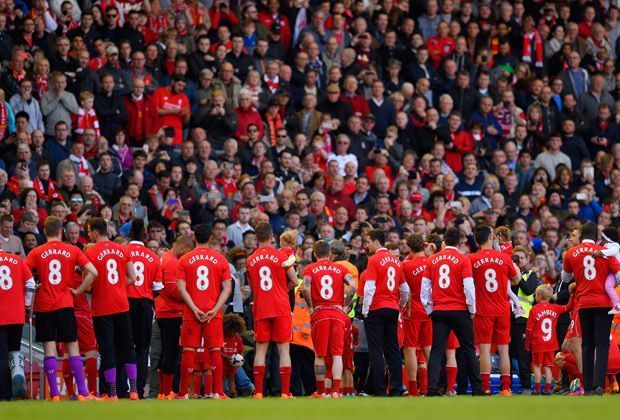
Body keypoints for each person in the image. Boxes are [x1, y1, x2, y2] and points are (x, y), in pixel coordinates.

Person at [25, 215, 98, 401]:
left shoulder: (36, 252)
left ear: (44, 232)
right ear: (61, 231)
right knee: (72, 346)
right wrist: (80, 290)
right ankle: (82, 393)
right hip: (65, 303)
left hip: (44, 305)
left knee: (50, 347)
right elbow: (93, 272)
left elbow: (24, 276)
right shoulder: (72, 250)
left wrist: (35, 285)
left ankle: (54, 395)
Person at [421, 227, 482, 396]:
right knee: (469, 349)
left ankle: (432, 389)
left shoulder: (432, 260)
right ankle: (477, 388)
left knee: (436, 351)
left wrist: (429, 310)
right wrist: (472, 308)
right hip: (460, 310)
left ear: (443, 241)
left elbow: (424, 288)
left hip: (439, 310)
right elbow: (469, 287)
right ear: (460, 241)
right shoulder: (463, 259)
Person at [82, 217, 138, 400]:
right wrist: (117, 287)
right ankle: (134, 391)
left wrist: (98, 286)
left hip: (102, 307)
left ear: (94, 232)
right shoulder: (122, 250)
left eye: (89, 232)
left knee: (107, 349)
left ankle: (112, 393)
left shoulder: (90, 253)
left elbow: (88, 285)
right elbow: (133, 277)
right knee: (128, 347)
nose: (88, 235)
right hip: (122, 304)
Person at [561, 221, 620, 395]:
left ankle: (587, 386)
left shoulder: (571, 253)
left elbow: (565, 278)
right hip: (603, 303)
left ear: (581, 235)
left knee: (587, 344)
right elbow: (618, 275)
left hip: (584, 303)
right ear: (596, 236)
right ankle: (599, 385)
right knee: (602, 345)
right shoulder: (604, 253)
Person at [176, 224, 233, 399]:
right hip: (212, 312)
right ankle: (218, 392)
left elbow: (181, 288)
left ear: (194, 238)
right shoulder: (220, 259)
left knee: (188, 350)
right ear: (210, 238)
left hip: (191, 312)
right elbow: (227, 288)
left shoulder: (184, 259)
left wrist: (194, 308)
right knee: (215, 349)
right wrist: (215, 310)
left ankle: (184, 393)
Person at [245, 222, 298, 399]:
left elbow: (253, 286)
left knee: (260, 350)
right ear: (271, 237)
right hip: (281, 306)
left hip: (261, 307)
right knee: (283, 350)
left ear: (256, 238)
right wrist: (282, 288)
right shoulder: (280, 255)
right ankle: (285, 392)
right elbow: (295, 281)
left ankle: (259, 392)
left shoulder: (250, 260)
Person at [469, 225, 522, 396]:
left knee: (484, 350)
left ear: (476, 240)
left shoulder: (471, 259)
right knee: (503, 350)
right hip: (502, 309)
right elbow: (516, 279)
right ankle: (506, 388)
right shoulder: (504, 258)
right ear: (491, 238)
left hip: (482, 310)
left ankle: (485, 387)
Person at [302, 240, 355, 398]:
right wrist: (345, 306)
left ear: (315, 253)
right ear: (330, 253)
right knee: (337, 354)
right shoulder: (340, 268)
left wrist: (311, 307)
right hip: (337, 313)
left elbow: (305, 287)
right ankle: (336, 391)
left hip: (320, 313)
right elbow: (353, 287)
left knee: (320, 354)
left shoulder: (310, 268)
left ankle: (320, 391)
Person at [361, 229, 409, 396]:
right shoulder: (396, 261)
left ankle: (379, 389)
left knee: (376, 351)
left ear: (376, 241)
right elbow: (405, 289)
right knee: (393, 350)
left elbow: (370, 287)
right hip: (392, 308)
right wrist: (400, 305)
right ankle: (396, 388)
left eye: (368, 242)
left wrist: (365, 309)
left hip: (376, 308)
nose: (366, 245)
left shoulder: (374, 260)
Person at [125, 218, 162, 398]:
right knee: (142, 348)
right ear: (145, 234)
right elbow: (158, 288)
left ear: (129, 233)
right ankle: (138, 389)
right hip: (144, 305)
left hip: (124, 303)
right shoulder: (153, 257)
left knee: (124, 346)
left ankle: (120, 389)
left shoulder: (122, 252)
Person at [155, 236, 195, 399]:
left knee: (167, 350)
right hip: (171, 312)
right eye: (188, 252)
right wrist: (191, 294)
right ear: (184, 247)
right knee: (171, 351)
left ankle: (164, 391)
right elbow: (172, 289)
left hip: (165, 310)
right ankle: (166, 391)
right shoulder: (171, 262)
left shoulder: (166, 259)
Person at [0, 244, 34, 401]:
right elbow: (31, 284)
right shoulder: (17, 260)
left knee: (1, 355)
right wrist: (27, 304)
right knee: (14, 351)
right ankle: (18, 375)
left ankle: (4, 394)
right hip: (17, 315)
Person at [526, 284, 573, 395]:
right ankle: (548, 389)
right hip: (551, 343)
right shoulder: (555, 308)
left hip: (538, 343)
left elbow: (529, 329)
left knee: (537, 367)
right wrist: (572, 295)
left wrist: (528, 345)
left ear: (538, 295)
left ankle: (537, 389)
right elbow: (568, 307)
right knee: (548, 367)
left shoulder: (534, 310)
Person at [401, 233, 431, 397]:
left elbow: (402, 290)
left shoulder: (405, 265)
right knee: (428, 350)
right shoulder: (432, 262)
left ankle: (413, 389)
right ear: (424, 245)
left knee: (410, 350)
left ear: (410, 248)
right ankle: (430, 387)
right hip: (430, 311)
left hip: (412, 311)